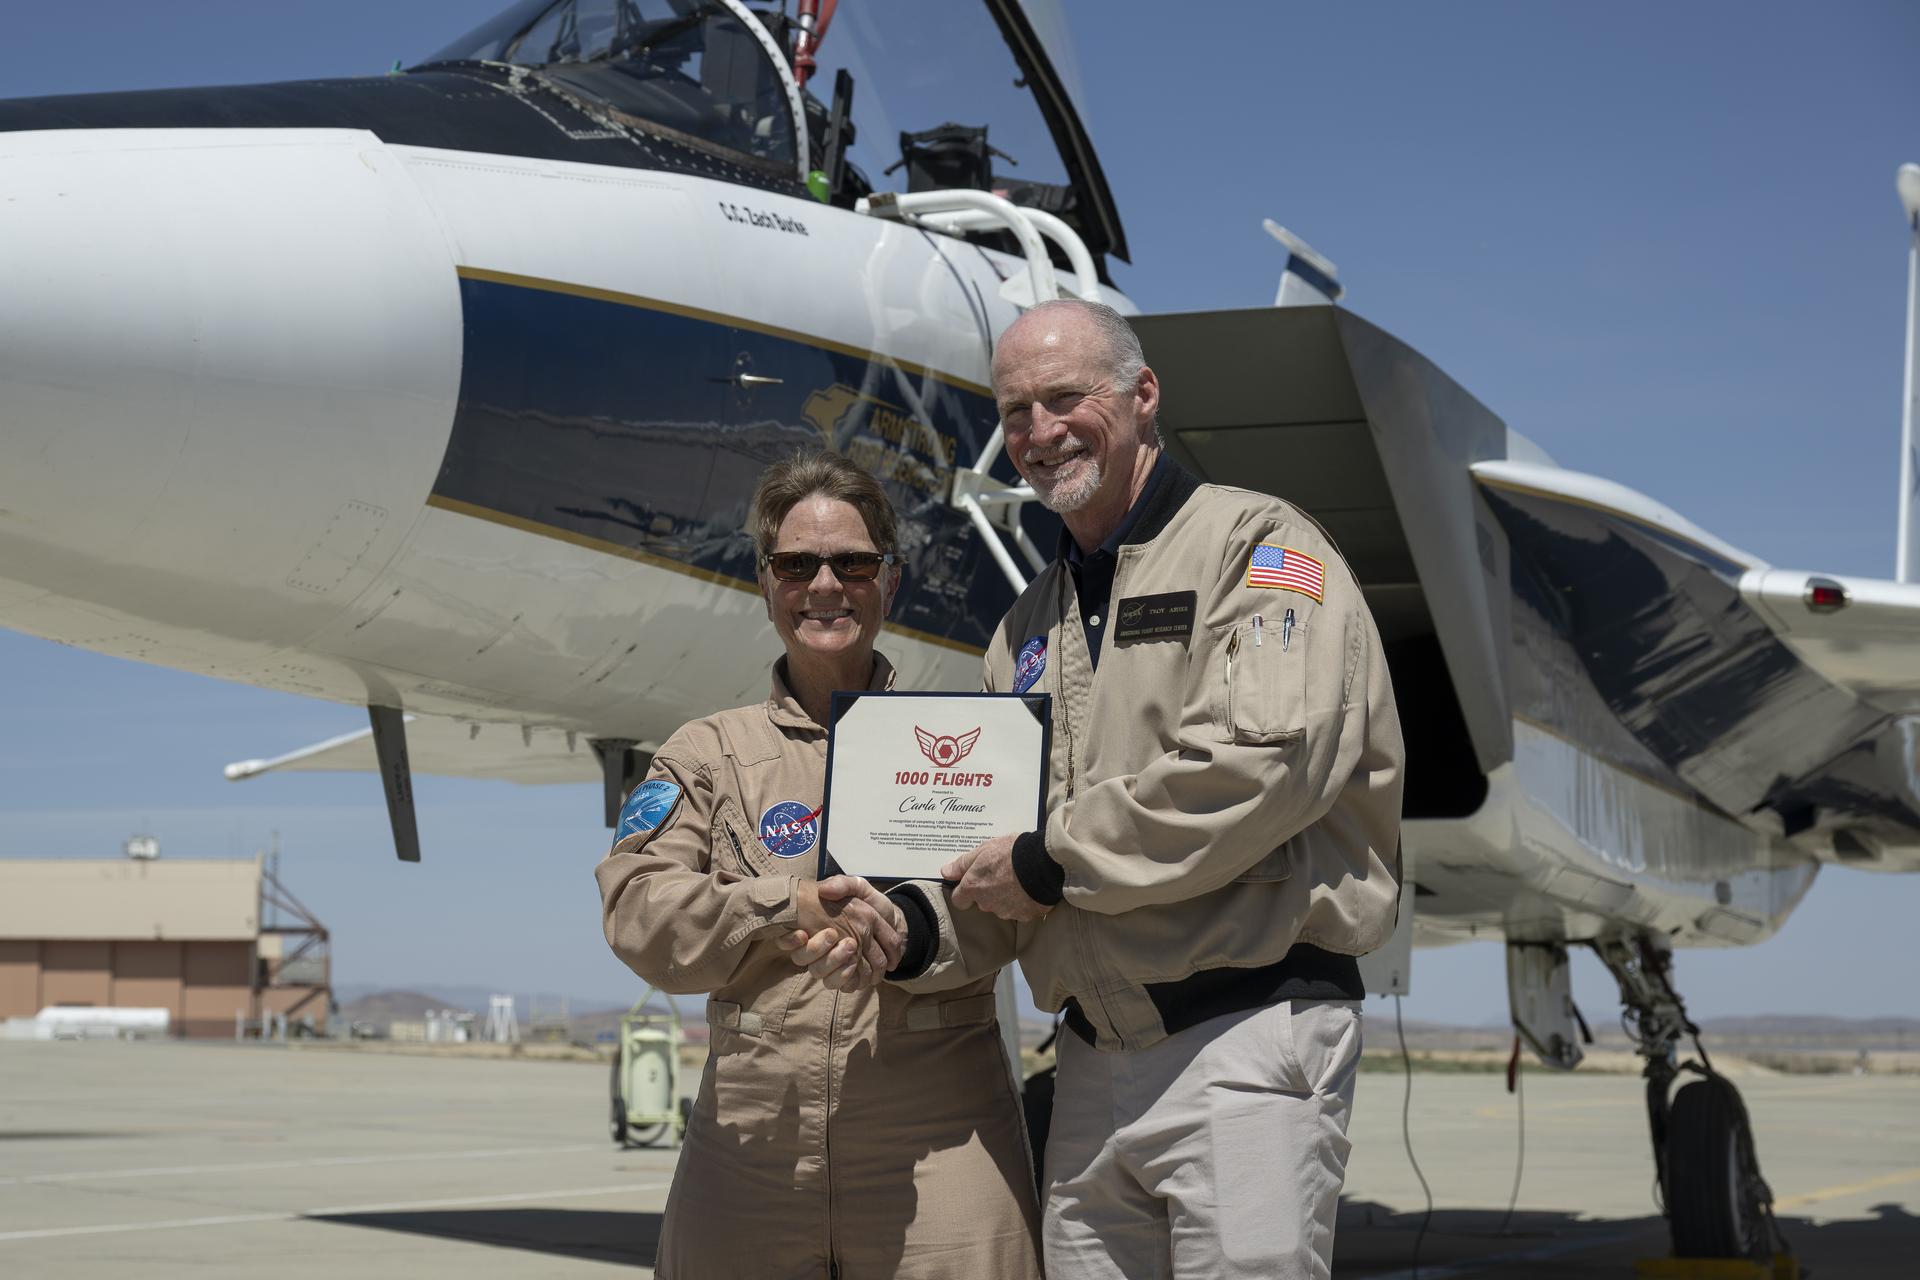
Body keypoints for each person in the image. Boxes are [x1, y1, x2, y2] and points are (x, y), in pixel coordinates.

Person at [791, 299, 1404, 1280]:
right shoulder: (1024, 630)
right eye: (1017, 410)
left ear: (1142, 395)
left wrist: (1049, 857)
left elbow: (1264, 765)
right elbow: (995, 862)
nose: (1039, 432)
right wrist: (909, 929)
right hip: (1086, 1062)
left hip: (1242, 1042)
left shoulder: (1263, 552)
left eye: (1065, 397)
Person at [595, 450, 1042, 1280]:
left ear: (892, 580)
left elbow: (1016, 905)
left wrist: (903, 935)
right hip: (751, 1144)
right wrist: (788, 907)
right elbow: (637, 911)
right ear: (766, 583)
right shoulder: (708, 754)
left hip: (939, 1133)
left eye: (854, 563)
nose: (826, 586)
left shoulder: (973, 743)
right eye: (797, 564)